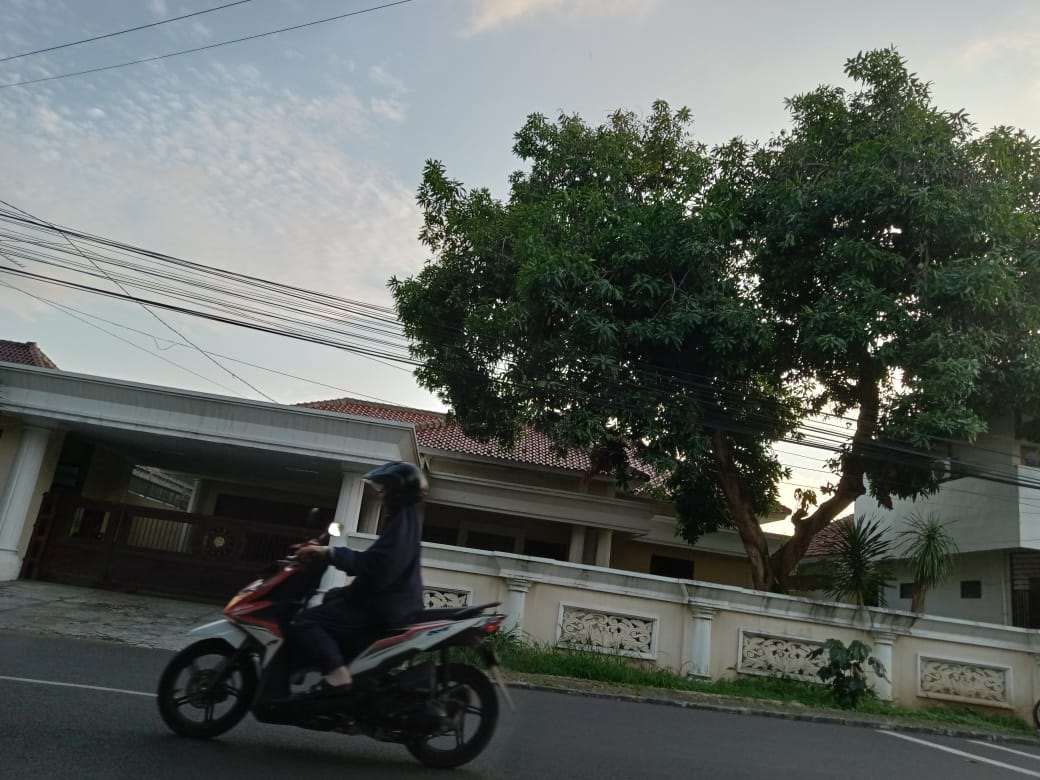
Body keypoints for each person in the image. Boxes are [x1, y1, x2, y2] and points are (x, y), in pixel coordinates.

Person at [292, 460, 427, 695]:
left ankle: (338, 676)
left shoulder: (401, 524)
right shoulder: (405, 520)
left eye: (384, 490)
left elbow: (377, 566)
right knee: (332, 597)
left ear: (397, 493)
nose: (380, 495)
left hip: (383, 607)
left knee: (307, 621)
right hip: (391, 602)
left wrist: (331, 553)